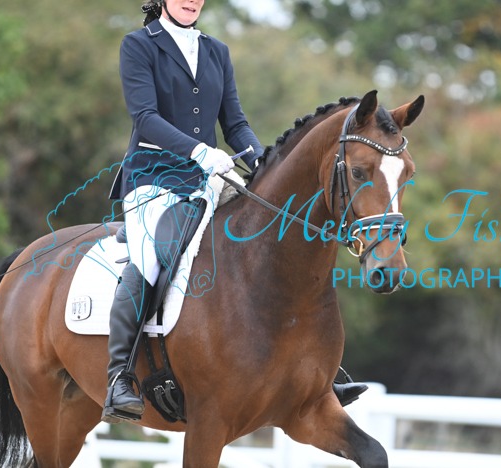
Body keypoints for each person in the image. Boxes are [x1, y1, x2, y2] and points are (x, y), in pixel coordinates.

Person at [103, 0, 366, 423]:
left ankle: (318, 368)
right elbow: (145, 117)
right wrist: (200, 151)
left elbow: (235, 123)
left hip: (208, 177)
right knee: (150, 257)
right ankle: (119, 376)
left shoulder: (216, 51)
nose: (192, 0)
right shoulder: (139, 45)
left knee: (273, 239)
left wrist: (265, 165)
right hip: (154, 177)